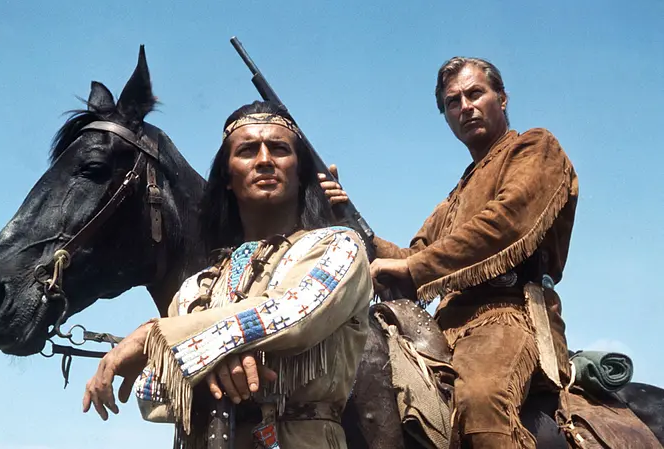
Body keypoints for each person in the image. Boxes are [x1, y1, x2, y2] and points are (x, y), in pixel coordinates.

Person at [82, 100, 373, 449]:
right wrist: (217, 357)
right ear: (227, 178)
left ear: (300, 173)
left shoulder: (339, 246)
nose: (264, 159)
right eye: (247, 150)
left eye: (279, 149)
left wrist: (154, 337)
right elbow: (149, 393)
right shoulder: (194, 288)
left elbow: (293, 314)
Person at [321, 57, 578, 448]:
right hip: (441, 325)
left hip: (509, 314)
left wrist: (413, 267)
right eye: (453, 102)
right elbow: (410, 256)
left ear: (502, 98)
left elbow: (505, 223)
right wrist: (343, 218)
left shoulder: (535, 147)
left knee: (479, 400)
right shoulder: (453, 198)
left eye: (475, 94)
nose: (465, 107)